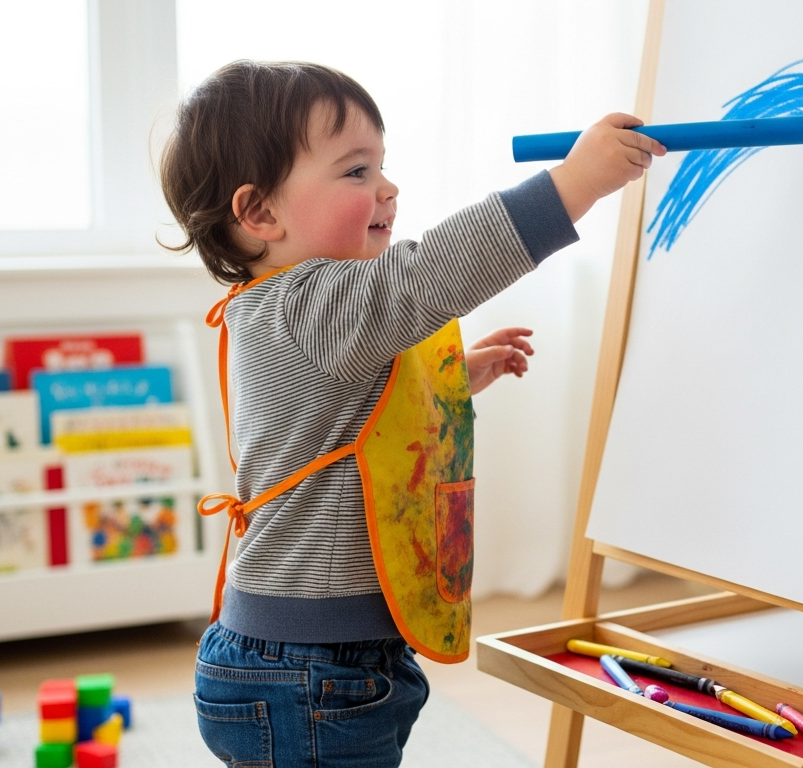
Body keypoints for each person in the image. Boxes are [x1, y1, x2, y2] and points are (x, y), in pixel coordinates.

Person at [159, 59, 663, 767]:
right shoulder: (307, 304)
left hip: (325, 657)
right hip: (307, 666)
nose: (388, 189)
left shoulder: (306, 315)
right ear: (260, 214)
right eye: (355, 171)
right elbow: (434, 275)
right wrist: (574, 185)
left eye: (382, 165)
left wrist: (457, 380)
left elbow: (354, 420)